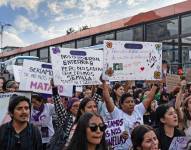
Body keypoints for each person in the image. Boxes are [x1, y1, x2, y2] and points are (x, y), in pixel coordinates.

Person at [102, 80, 158, 149]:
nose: (131, 104)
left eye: (132, 101)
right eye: (128, 102)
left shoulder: (138, 109)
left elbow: (149, 98)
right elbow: (107, 100)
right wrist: (104, 83)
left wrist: (155, 85)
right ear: (122, 105)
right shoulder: (117, 113)